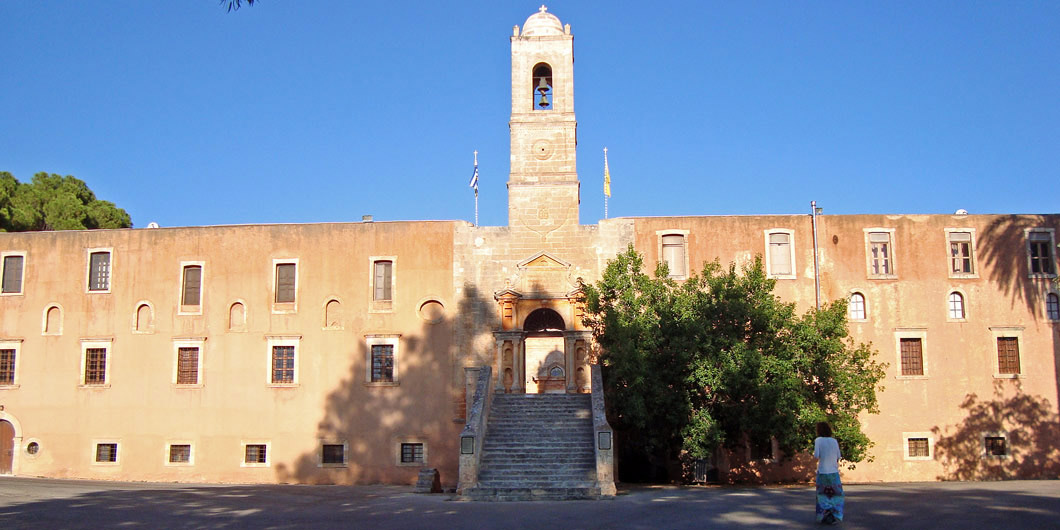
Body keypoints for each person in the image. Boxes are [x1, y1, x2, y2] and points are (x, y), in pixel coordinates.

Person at [813, 421, 844, 524]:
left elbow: (816, 455)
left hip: (823, 472)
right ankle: (835, 515)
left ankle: (824, 514)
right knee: (836, 494)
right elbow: (838, 456)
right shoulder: (834, 441)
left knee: (822, 494)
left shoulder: (818, 440)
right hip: (834, 472)